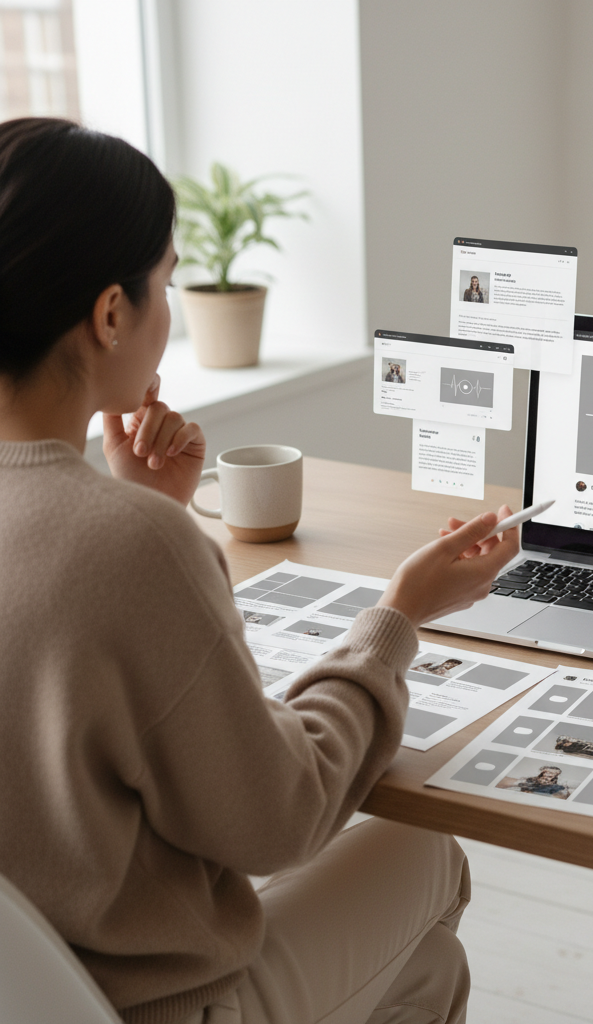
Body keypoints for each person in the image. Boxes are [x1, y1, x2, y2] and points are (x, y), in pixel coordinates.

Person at [0, 118, 519, 1024]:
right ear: (110, 313)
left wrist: (150, 505)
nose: (171, 312)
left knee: (426, 966)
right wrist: (397, 617)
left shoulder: (123, 531)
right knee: (425, 856)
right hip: (160, 1006)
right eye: (166, 282)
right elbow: (278, 819)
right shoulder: (127, 545)